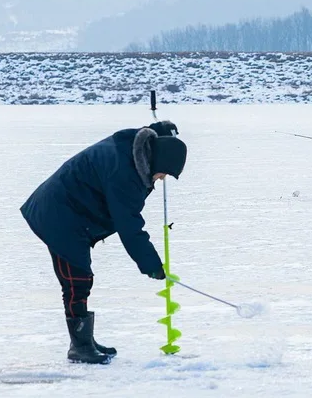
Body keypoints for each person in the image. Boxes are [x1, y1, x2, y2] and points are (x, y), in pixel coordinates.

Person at [20, 121, 187, 364]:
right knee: (77, 280)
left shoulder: (135, 147)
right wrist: (151, 264)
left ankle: (84, 341)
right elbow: (128, 225)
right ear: (157, 162)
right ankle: (80, 346)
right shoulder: (124, 174)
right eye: (164, 173)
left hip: (73, 211)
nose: (161, 179)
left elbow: (150, 137)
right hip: (59, 215)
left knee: (80, 279)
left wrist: (160, 129)